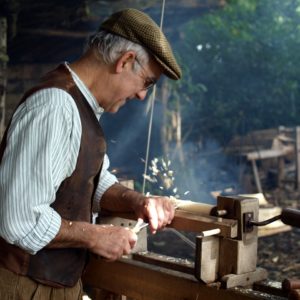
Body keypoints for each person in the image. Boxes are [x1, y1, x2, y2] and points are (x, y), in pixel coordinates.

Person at [0, 7, 182, 300]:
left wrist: (138, 202)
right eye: (147, 82)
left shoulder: (79, 105)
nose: (141, 95)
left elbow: (91, 179)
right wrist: (96, 236)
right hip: (24, 287)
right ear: (126, 60)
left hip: (53, 284)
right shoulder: (55, 107)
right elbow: (19, 219)